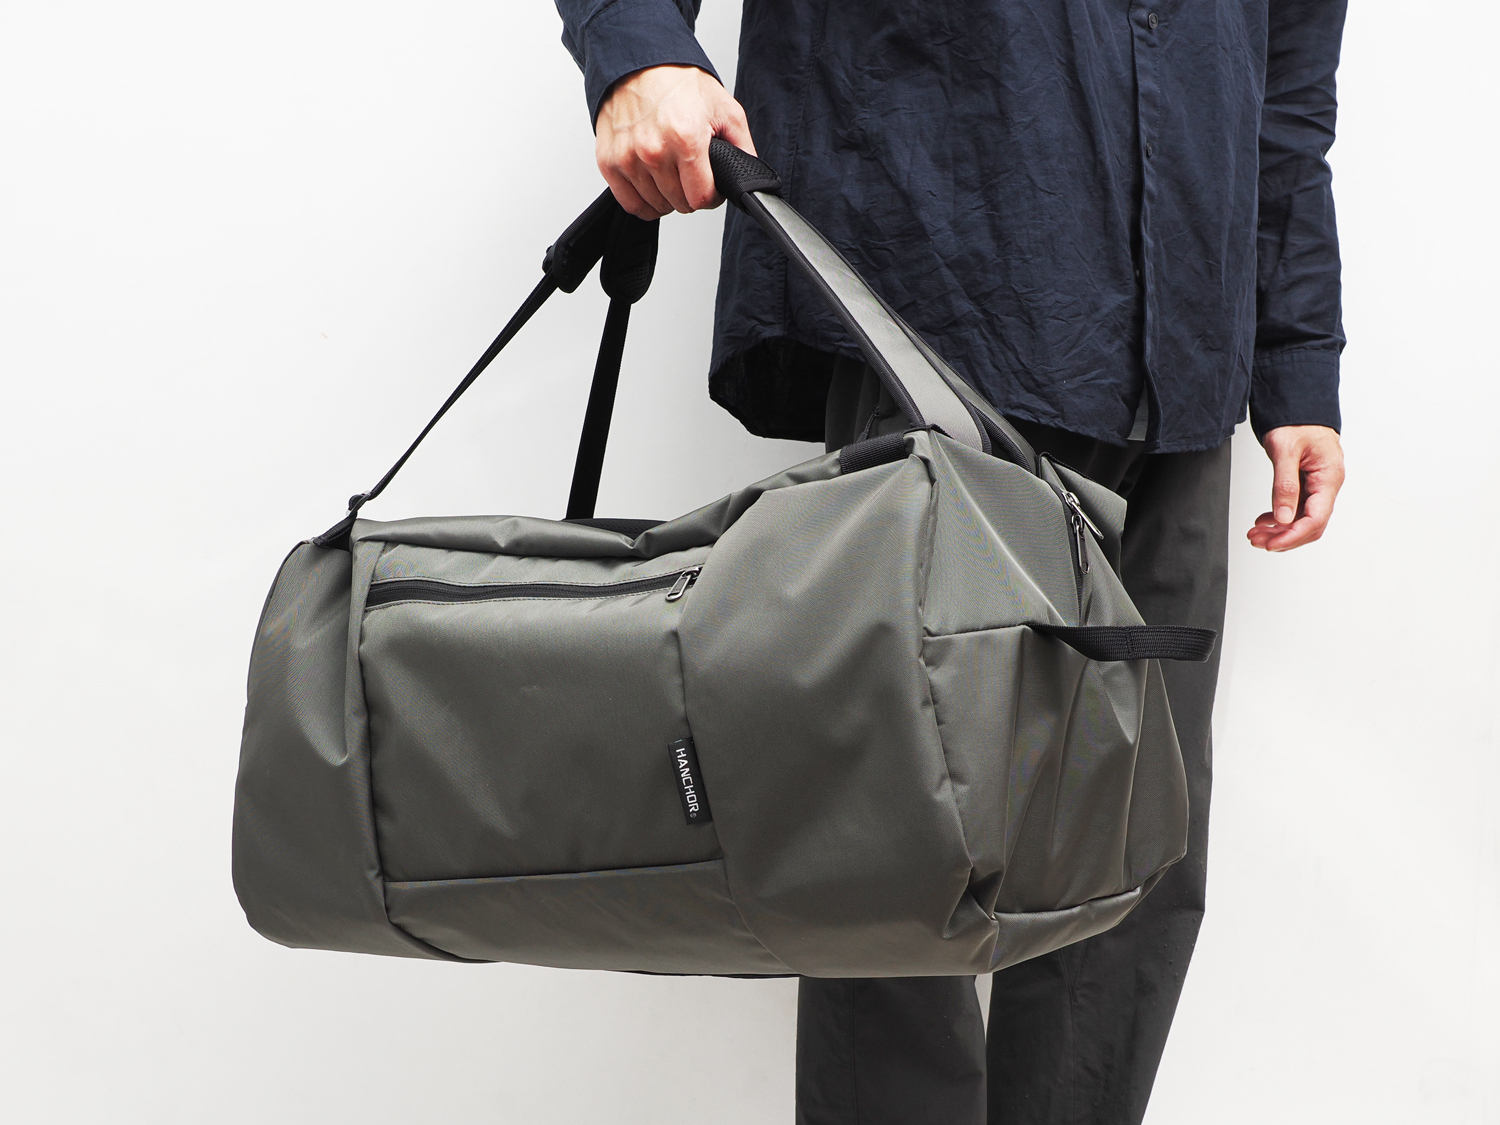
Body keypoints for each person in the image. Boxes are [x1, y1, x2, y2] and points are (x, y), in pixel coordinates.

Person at [553, 1, 1348, 1122]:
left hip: (1182, 342)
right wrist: (638, 51)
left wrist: (1294, 357)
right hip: (942, 276)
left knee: (1132, 856)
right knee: (899, 847)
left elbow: (1289, 83)